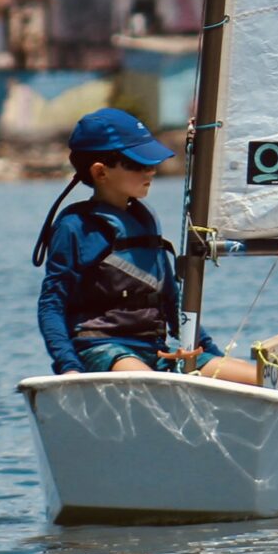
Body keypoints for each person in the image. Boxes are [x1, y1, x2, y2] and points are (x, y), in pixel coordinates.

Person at [34, 108, 258, 383]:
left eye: (151, 164)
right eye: (137, 164)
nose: (151, 170)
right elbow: (51, 305)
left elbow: (171, 298)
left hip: (155, 352)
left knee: (262, 378)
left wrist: (208, 352)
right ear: (100, 172)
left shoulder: (145, 220)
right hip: (104, 350)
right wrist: (69, 366)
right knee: (153, 383)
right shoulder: (75, 227)